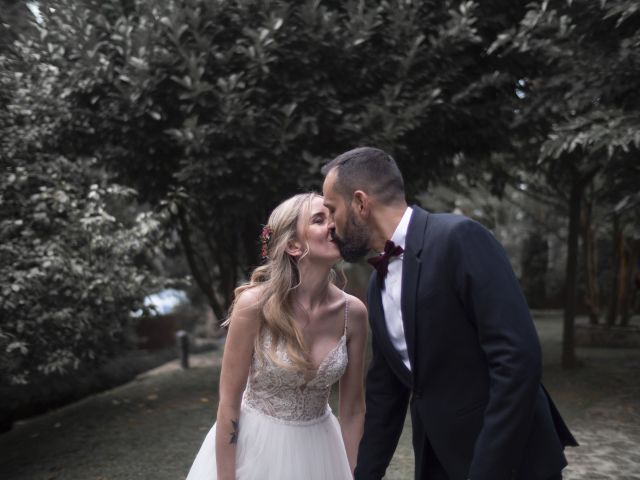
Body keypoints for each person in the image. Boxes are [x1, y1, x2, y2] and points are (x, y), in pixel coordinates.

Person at [321, 147, 578, 480]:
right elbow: (386, 393)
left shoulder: (460, 239)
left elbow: (517, 361)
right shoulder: (376, 285)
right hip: (438, 460)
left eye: (332, 209)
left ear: (360, 203)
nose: (331, 224)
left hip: (511, 461)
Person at [185, 193, 367, 480]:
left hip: (321, 453)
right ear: (293, 245)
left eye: (334, 217)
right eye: (319, 219)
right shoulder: (254, 306)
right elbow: (229, 403)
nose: (333, 225)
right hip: (256, 451)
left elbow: (354, 408)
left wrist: (355, 473)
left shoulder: (353, 313)